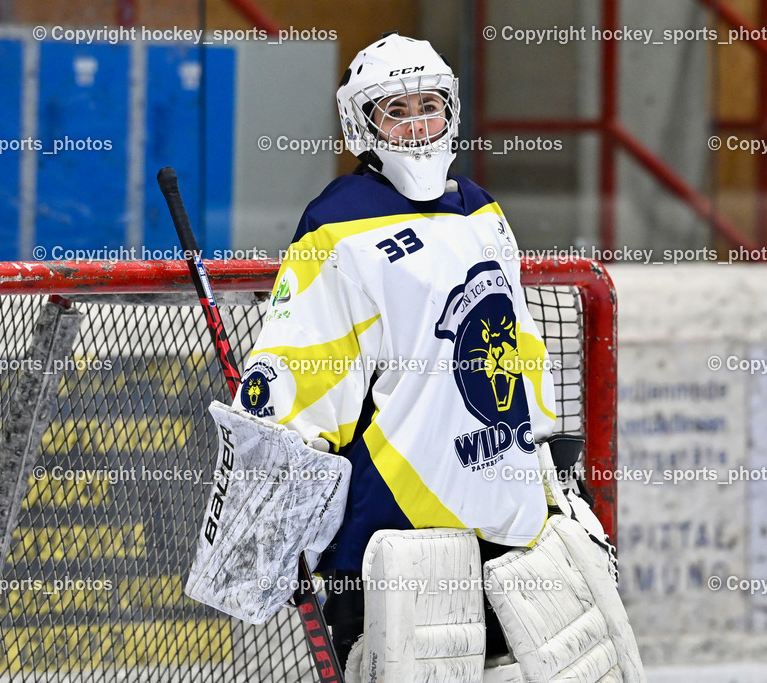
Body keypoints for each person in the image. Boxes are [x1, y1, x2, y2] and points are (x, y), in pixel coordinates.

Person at [232, 32, 558, 667]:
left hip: (499, 508)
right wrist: (274, 457)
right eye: (396, 110)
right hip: (390, 523)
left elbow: (517, 345)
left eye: (429, 105)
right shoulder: (339, 223)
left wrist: (545, 459)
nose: (417, 124)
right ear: (365, 122)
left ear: (451, 112)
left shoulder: (482, 211)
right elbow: (306, 360)